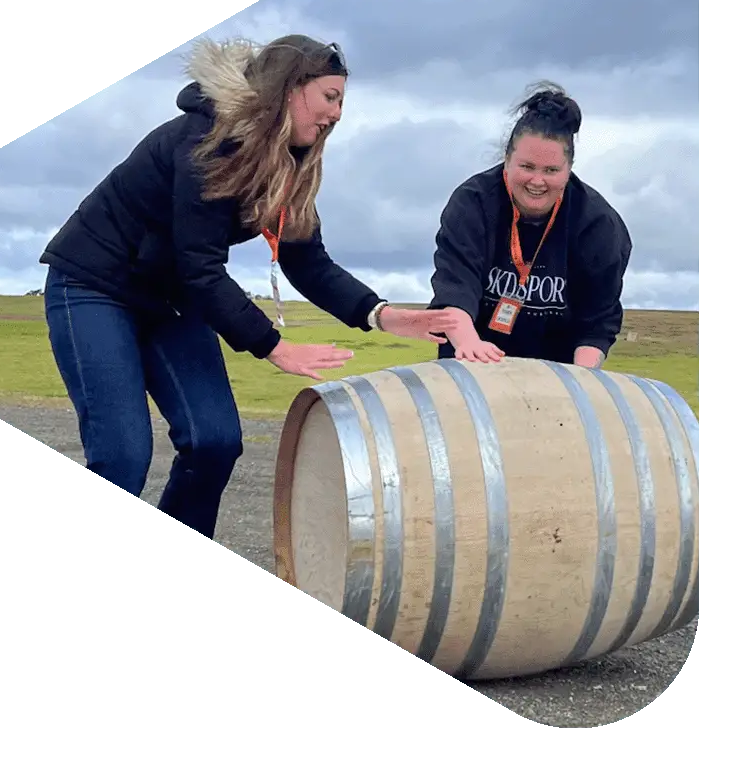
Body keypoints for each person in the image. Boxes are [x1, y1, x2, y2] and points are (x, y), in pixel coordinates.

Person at [39, 34, 461, 545]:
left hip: (169, 301)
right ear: (289, 89)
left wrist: (381, 313)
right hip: (94, 286)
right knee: (123, 455)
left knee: (214, 441)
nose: (338, 114)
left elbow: (306, 260)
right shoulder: (208, 140)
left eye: (342, 101)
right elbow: (201, 268)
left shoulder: (288, 161)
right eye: (330, 97)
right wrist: (273, 345)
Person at [427, 82, 632, 368]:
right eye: (526, 167)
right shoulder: (472, 204)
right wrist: (469, 346)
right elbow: (454, 290)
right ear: (507, 160)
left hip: (555, 374)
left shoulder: (598, 224)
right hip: (472, 364)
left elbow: (597, 323)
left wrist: (581, 382)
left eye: (551, 171)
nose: (537, 181)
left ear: (569, 168)